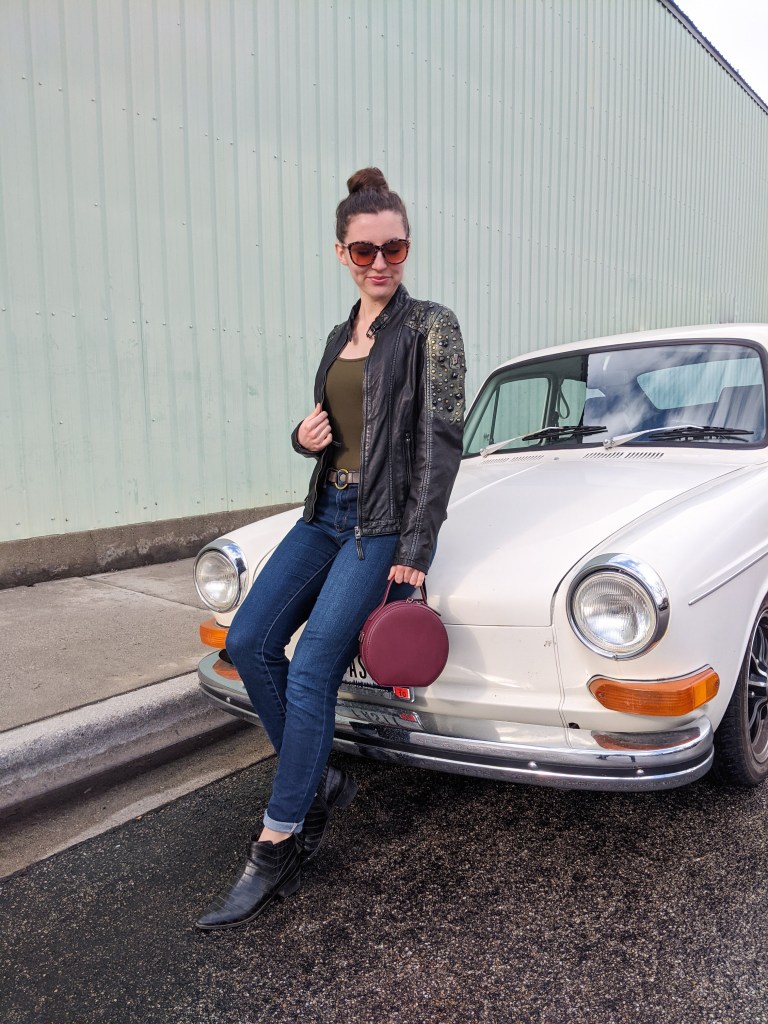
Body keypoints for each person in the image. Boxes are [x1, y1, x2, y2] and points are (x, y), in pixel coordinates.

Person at [196, 167, 466, 931]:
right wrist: (300, 436)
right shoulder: (334, 336)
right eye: (363, 250)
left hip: (380, 526)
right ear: (340, 252)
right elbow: (334, 429)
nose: (381, 262)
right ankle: (317, 779)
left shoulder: (432, 328)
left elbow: (439, 445)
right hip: (326, 511)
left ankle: (280, 836)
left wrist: (417, 544)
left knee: (314, 663)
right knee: (250, 641)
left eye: (395, 247)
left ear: (407, 248)